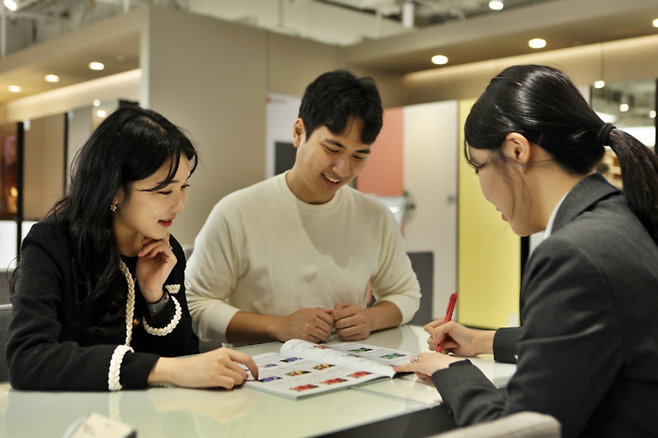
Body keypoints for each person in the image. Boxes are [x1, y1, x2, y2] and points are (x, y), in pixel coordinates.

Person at [395, 65, 658, 438]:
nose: (483, 190)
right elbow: (595, 333)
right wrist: (485, 340)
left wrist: (449, 372)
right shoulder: (620, 216)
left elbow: (519, 428)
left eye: (478, 167)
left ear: (517, 150)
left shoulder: (573, 255)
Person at [6, 106, 258, 391]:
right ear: (113, 188)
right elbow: (27, 359)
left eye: (184, 187)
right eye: (164, 191)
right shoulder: (53, 243)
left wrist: (156, 299)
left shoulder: (163, 248)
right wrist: (160, 368)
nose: (180, 205)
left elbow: (184, 357)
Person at [186, 69, 420, 345]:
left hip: (348, 370)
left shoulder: (374, 217)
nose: (342, 169)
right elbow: (195, 306)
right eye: (332, 149)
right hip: (260, 374)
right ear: (299, 132)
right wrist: (278, 327)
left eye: (358, 156)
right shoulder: (236, 212)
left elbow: (405, 294)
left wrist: (370, 319)